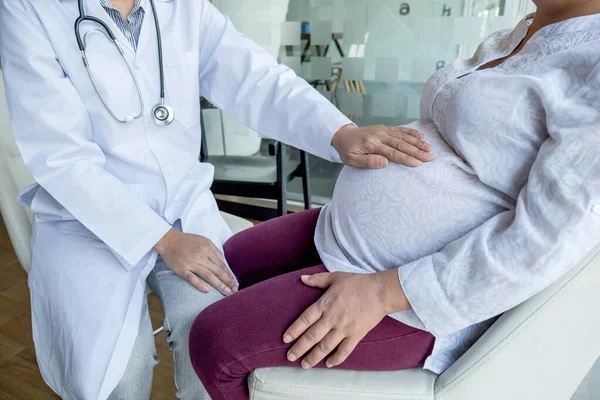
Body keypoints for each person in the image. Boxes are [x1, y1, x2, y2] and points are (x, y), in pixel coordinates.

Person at [0, 1, 435, 399]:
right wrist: (164, 239)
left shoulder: (182, 7)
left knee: (209, 336)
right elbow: (62, 159)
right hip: (91, 219)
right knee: (121, 371)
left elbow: (256, 79)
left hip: (181, 206)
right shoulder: (29, 10)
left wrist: (339, 134)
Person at [188, 1, 600, 399]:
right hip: (347, 231)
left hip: (415, 289)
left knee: (217, 343)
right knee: (225, 263)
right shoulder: (523, 30)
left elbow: (543, 240)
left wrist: (381, 293)